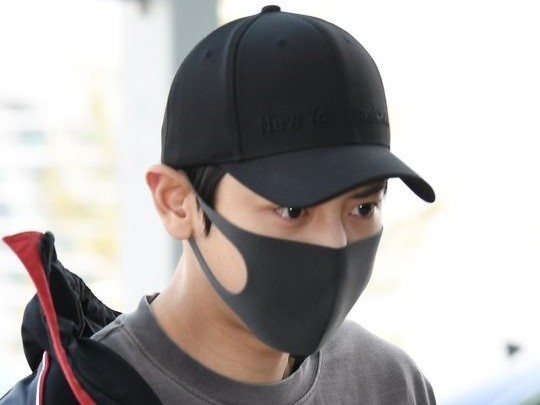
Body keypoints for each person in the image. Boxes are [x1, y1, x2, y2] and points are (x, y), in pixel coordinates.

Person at [2, 5, 437, 404]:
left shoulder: (390, 384)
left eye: (363, 209)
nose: (335, 243)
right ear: (177, 203)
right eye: (292, 210)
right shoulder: (68, 399)